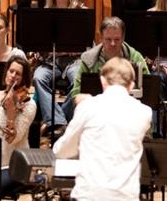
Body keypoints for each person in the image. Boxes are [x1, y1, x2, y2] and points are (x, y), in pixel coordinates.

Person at [53, 57, 152, 201]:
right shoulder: (145, 112)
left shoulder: (87, 107)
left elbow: (63, 151)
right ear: (131, 85)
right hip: (125, 197)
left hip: (89, 196)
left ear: (103, 81)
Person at [32, 0, 83, 135]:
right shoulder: (45, 13)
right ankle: (59, 121)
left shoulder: (81, 11)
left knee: (78, 80)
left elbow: (87, 43)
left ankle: (59, 121)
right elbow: (40, 44)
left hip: (74, 60)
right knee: (38, 78)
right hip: (51, 61)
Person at [0, 56, 37, 196]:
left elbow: (12, 139)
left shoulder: (29, 105)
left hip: (15, 166)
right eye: (11, 71)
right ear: (6, 72)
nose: (13, 76)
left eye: (18, 74)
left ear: (24, 79)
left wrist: (11, 113)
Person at [71, 16, 149, 103]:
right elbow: (76, 93)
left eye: (117, 39)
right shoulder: (88, 59)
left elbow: (149, 90)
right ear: (101, 38)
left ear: (123, 38)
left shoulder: (136, 58)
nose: (113, 43)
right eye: (108, 39)